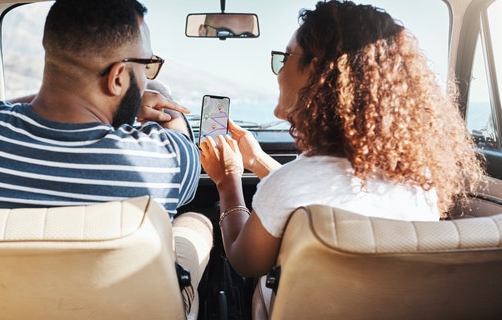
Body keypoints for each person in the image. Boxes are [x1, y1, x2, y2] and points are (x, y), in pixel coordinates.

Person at [0, 0, 211, 318]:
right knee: (197, 221)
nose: (147, 79)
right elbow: (183, 144)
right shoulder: (164, 158)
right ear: (118, 77)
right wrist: (160, 110)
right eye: (146, 67)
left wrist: (108, 96)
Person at [199, 0, 484, 279]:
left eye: (286, 57)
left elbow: (244, 262)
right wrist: (257, 161)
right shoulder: (421, 182)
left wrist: (227, 181)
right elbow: (323, 189)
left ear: (319, 73)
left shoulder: (291, 184)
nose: (279, 71)